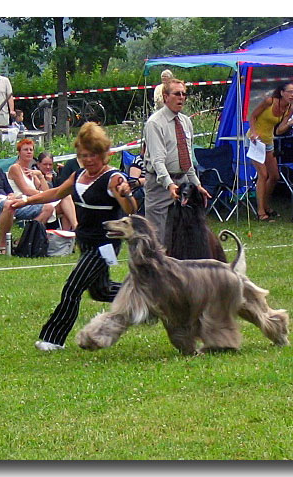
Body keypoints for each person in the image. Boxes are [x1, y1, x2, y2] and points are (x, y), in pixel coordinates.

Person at [11, 122, 137, 351]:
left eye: (92, 155)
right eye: (83, 155)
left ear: (104, 154)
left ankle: (52, 339)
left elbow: (130, 210)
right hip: (85, 241)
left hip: (105, 243)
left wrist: (126, 195)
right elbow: (56, 192)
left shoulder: (113, 178)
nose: (88, 160)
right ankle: (146, 296)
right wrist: (27, 200)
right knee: (101, 290)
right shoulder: (78, 175)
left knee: (72, 288)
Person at [143, 78, 210, 244]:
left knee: (183, 237)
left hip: (183, 183)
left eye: (184, 94)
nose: (181, 97)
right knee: (158, 239)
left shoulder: (186, 122)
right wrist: (169, 184)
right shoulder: (154, 123)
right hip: (160, 186)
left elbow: (187, 158)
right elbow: (158, 161)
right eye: (177, 94)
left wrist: (197, 184)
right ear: (166, 97)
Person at [247, 81, 293, 221]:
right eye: (290, 92)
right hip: (255, 141)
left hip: (269, 141)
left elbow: (279, 130)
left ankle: (266, 204)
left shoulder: (290, 109)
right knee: (263, 175)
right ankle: (260, 211)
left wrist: (290, 124)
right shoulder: (269, 102)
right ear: (282, 92)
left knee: (274, 176)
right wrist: (253, 132)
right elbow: (252, 116)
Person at [36, 151, 78, 230]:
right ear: (38, 164)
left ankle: (66, 235)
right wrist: (46, 180)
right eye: (45, 164)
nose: (48, 167)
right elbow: (46, 194)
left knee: (67, 208)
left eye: (50, 164)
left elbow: (60, 189)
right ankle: (75, 227)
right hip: (41, 202)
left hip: (53, 203)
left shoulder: (54, 175)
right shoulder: (36, 174)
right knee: (66, 200)